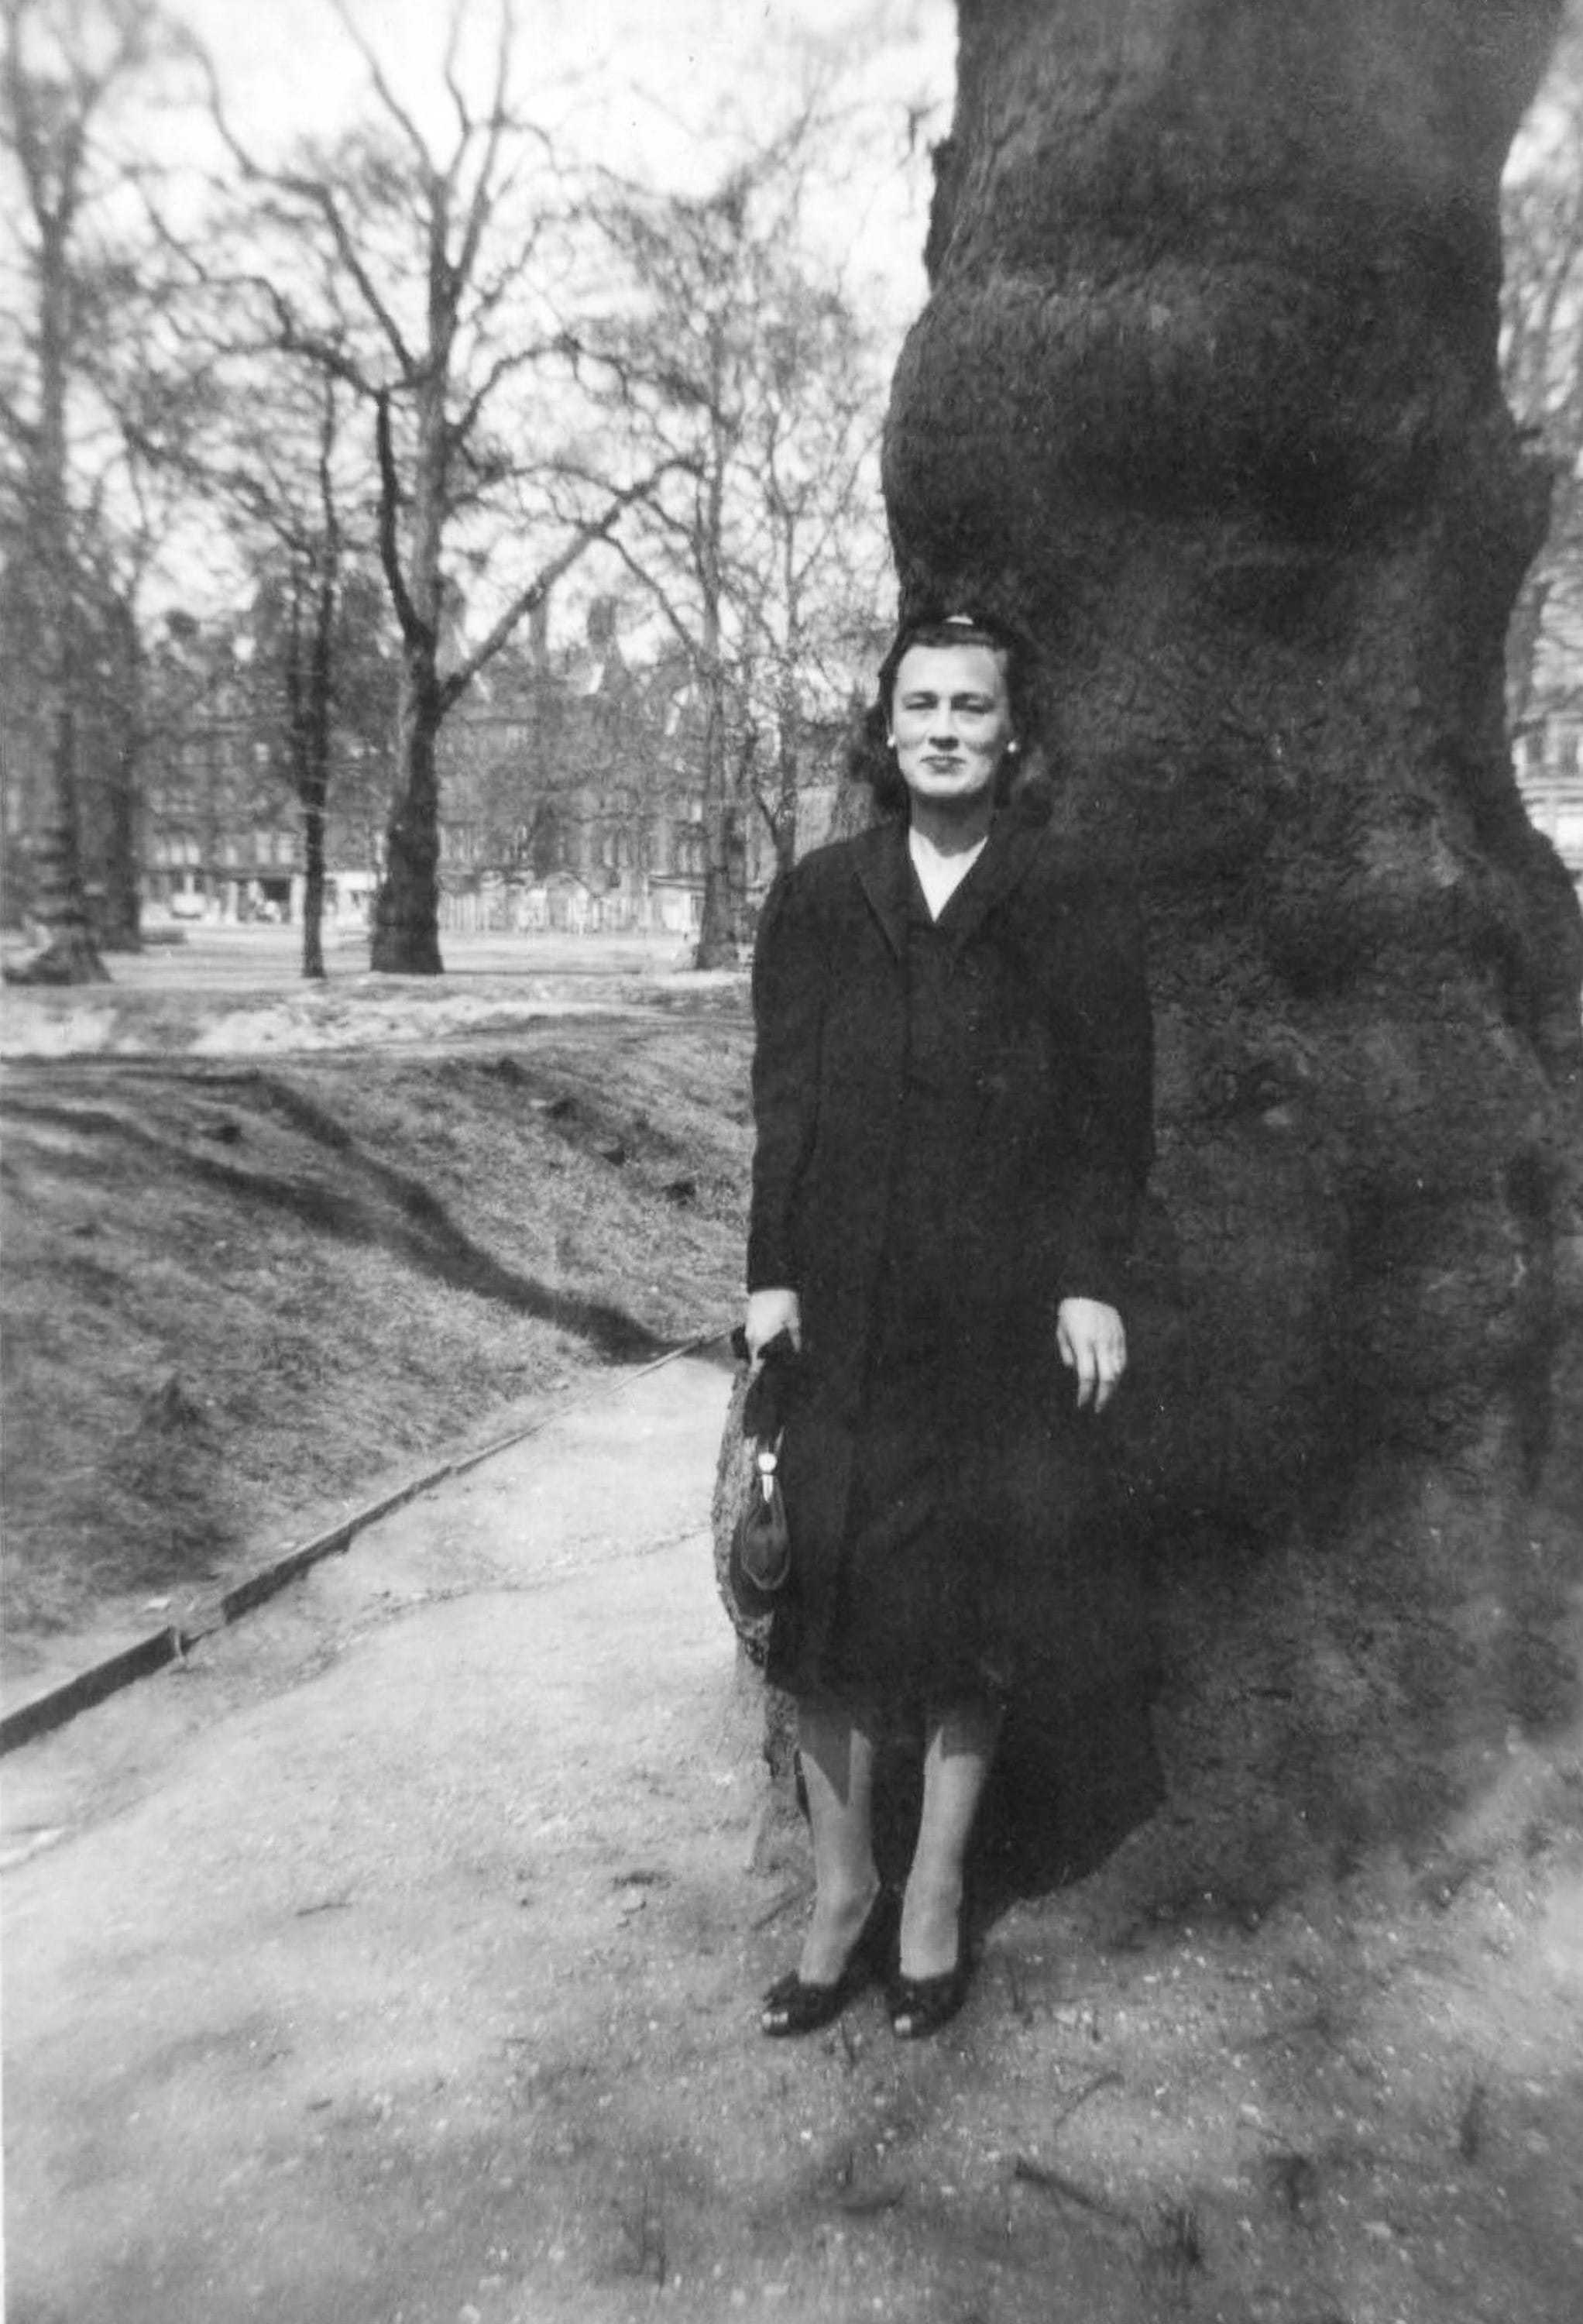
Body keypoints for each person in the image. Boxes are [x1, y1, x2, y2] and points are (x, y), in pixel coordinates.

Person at [742, 609, 1158, 2041]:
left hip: (1000, 1316)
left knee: (977, 1611)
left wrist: (1094, 1276)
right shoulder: (817, 899)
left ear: (1011, 736)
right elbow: (782, 1108)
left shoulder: (1075, 897)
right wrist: (768, 1276)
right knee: (823, 1613)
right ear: (886, 727)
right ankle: (841, 1889)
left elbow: (1116, 1117)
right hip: (842, 1312)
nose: (943, 728)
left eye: (971, 707)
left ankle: (934, 1894)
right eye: (920, 703)